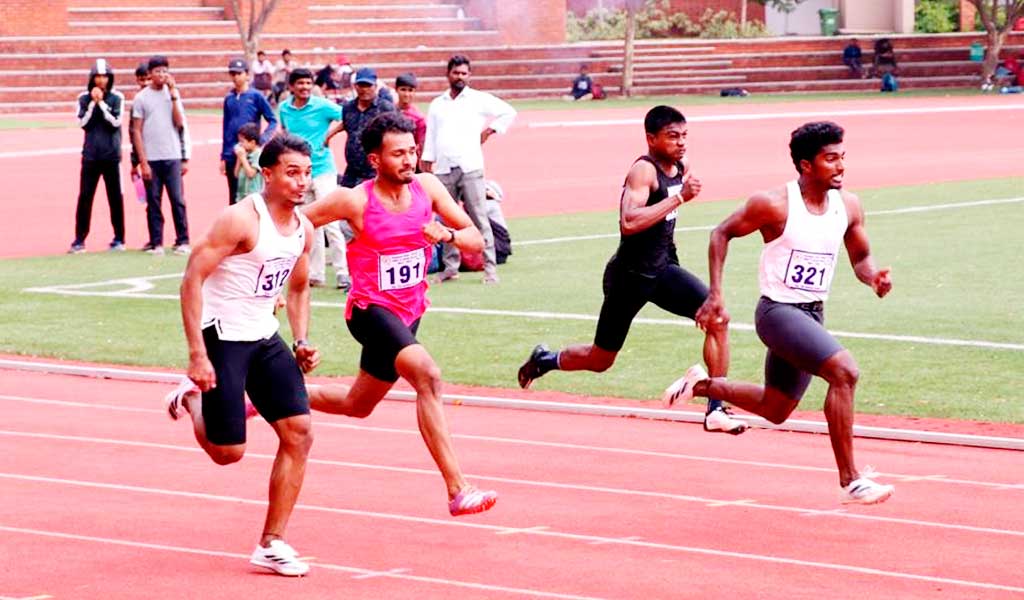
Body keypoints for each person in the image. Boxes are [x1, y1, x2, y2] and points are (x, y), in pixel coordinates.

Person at [673, 121, 895, 505]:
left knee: (777, 408)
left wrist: (872, 276)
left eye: (843, 157)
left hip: (811, 315)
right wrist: (715, 295)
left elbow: (860, 256)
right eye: (831, 159)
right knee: (844, 372)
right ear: (806, 165)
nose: (841, 166)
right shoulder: (773, 204)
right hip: (777, 313)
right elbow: (720, 233)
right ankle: (851, 480)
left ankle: (701, 386)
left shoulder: (849, 205)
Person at [302, 112, 499, 517]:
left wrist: (445, 234)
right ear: (375, 160)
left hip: (410, 312)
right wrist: (290, 271)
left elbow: (476, 239)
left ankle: (266, 395)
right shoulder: (353, 199)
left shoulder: (427, 187)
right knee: (427, 374)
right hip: (369, 310)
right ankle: (457, 488)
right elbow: (294, 224)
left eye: (412, 151)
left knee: (357, 405)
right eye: (399, 154)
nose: (409, 160)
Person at [516, 106, 747, 435]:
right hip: (630, 277)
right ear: (651, 139)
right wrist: (680, 197)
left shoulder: (681, 166)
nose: (681, 143)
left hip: (664, 270)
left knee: (717, 317)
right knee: (601, 360)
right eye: (672, 136)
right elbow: (629, 222)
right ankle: (544, 361)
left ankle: (715, 409)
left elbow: (664, 222)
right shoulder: (643, 171)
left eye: (684, 136)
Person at [164, 132, 318, 575]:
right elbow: (191, 279)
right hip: (222, 336)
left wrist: (301, 340)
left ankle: (271, 543)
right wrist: (197, 354)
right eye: (291, 173)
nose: (300, 182)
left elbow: (299, 285)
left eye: (306, 173)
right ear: (265, 175)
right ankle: (192, 398)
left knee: (300, 433)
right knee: (228, 453)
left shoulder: (304, 228)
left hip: (264, 336)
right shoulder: (238, 221)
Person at [422, 55, 516, 285]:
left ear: (469, 75)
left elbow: (508, 112)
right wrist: (427, 160)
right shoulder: (438, 104)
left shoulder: (478, 99)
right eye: (456, 73)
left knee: (478, 218)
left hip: (470, 166)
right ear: (448, 74)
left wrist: (490, 130)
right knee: (447, 219)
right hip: (444, 167)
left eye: (464, 73)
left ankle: (490, 268)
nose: (460, 77)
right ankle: (450, 267)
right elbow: (432, 134)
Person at [278, 68, 350, 290]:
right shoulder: (284, 109)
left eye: (308, 83)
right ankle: (316, 273)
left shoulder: (321, 105)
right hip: (301, 174)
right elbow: (285, 133)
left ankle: (342, 272)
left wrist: (330, 135)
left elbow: (348, 117)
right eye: (300, 84)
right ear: (291, 86)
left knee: (332, 223)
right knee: (309, 224)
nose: (305, 88)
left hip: (323, 170)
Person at [131, 55, 192, 256]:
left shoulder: (173, 94)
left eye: (165, 71)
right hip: (152, 158)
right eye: (157, 71)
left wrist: (173, 95)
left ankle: (183, 240)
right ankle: (156, 242)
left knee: (177, 199)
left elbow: (180, 123)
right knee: (154, 201)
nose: (162, 75)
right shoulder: (141, 98)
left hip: (172, 155)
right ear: (150, 74)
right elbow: (136, 131)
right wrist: (143, 162)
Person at [69, 58, 126, 254]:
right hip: (91, 156)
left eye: (105, 76)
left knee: (115, 197)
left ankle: (119, 238)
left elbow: (116, 122)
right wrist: (92, 105)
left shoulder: (117, 98)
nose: (101, 80)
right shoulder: (83, 98)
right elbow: (83, 124)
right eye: (98, 76)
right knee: (85, 197)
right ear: (92, 78)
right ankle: (79, 239)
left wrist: (101, 103)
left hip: (111, 156)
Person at [221, 57, 277, 205]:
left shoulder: (256, 96)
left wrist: (262, 139)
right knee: (234, 193)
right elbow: (226, 126)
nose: (236, 77)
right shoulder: (229, 98)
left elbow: (272, 119)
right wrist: (223, 155)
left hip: (250, 152)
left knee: (252, 189)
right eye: (233, 74)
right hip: (233, 152)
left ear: (247, 75)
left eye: (239, 73)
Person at [335, 67, 396, 189]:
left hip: (375, 172)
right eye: (361, 85)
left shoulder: (386, 109)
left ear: (375, 86)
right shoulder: (348, 108)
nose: (364, 89)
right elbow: (347, 128)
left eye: (368, 85)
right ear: (355, 86)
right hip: (352, 172)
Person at [394, 72, 426, 167]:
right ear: (396, 89)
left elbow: (420, 144)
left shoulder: (419, 118)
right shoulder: (388, 111)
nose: (406, 94)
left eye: (410, 90)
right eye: (403, 90)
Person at [234, 122, 264, 202]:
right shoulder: (244, 153)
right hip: (241, 194)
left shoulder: (258, 154)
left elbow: (251, 174)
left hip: (253, 195)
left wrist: (243, 158)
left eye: (242, 141)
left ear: (252, 142)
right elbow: (236, 174)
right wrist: (239, 159)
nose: (240, 144)